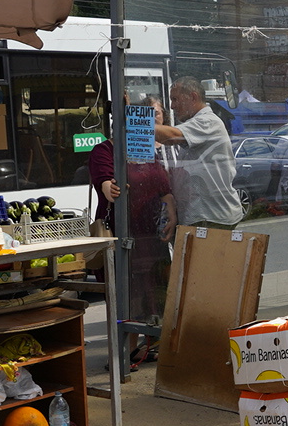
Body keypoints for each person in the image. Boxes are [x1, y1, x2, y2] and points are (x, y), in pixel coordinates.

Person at [89, 96, 176, 325]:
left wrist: (171, 214)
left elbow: (164, 188)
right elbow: (106, 185)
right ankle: (126, 353)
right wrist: (113, 188)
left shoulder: (144, 151)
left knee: (155, 297)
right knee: (128, 301)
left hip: (151, 239)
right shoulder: (103, 151)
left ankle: (153, 347)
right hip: (122, 239)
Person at [154, 77, 244, 229]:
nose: (172, 106)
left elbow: (171, 136)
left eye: (175, 99)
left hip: (210, 217)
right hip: (200, 216)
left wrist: (132, 121)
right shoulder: (195, 123)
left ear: (193, 97)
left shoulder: (208, 121)